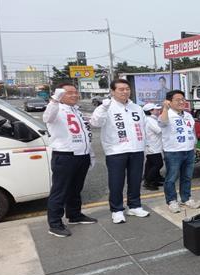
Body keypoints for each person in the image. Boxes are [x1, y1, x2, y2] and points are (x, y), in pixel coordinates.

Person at [90, 79, 150, 224]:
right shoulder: (106, 107)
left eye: (127, 89)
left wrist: (146, 146)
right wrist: (103, 108)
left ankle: (134, 206)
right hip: (116, 150)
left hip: (136, 149)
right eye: (121, 89)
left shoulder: (136, 107)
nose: (125, 92)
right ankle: (117, 210)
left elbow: (144, 126)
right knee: (116, 182)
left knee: (135, 180)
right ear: (112, 91)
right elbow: (95, 123)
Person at [43, 83, 96, 237]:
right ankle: (55, 224)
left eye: (75, 92)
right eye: (69, 93)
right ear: (60, 94)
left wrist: (90, 153)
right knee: (60, 191)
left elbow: (85, 133)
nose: (74, 95)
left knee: (76, 189)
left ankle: (74, 215)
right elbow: (47, 117)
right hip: (65, 155)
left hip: (82, 154)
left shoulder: (77, 111)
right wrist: (55, 99)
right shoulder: (56, 109)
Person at [159, 90, 200, 213]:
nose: (181, 102)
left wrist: (195, 146)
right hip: (173, 152)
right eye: (177, 100)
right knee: (171, 178)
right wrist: (165, 108)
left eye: (183, 99)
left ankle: (186, 198)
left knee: (187, 177)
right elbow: (163, 122)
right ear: (169, 102)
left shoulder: (188, 115)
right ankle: (171, 201)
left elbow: (192, 132)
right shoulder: (166, 114)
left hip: (189, 151)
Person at [142, 103, 164, 191]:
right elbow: (159, 130)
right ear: (150, 111)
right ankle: (148, 182)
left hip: (154, 145)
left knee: (150, 164)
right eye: (157, 110)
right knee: (158, 164)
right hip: (152, 146)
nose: (159, 111)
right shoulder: (150, 120)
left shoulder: (152, 119)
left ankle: (154, 179)